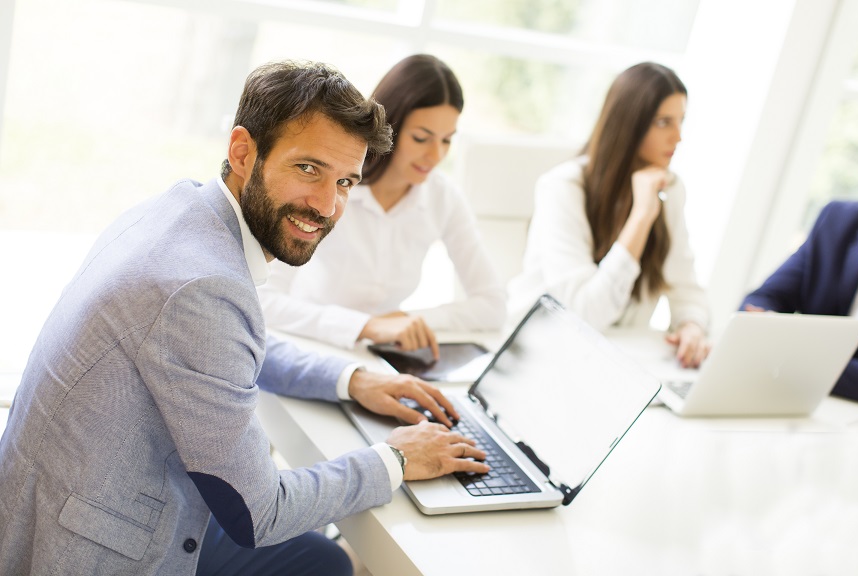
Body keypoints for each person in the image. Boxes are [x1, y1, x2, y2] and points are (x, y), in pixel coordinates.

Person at [0, 60, 490, 575]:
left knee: (320, 558)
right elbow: (261, 513)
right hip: (89, 552)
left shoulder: (183, 212)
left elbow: (220, 346)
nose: (326, 205)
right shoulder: (204, 287)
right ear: (242, 151)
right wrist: (397, 459)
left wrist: (352, 379)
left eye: (345, 181)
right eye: (308, 169)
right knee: (322, 563)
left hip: (86, 502)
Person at [258, 54, 507, 359]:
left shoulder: (443, 198)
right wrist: (365, 326)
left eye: (447, 141)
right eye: (421, 138)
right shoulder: (331, 190)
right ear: (390, 126)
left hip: (386, 357)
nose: (435, 155)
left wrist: (408, 323)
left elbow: (493, 304)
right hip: (309, 348)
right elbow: (264, 300)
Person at [508, 61, 710, 368]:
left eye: (681, 121)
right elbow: (584, 314)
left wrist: (691, 325)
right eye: (663, 122)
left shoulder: (668, 187)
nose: (678, 137)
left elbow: (686, 287)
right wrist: (641, 217)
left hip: (613, 359)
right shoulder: (563, 187)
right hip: (542, 357)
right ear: (630, 123)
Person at [740, 200, 858, 402]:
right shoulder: (839, 219)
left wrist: (792, 353)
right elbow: (761, 300)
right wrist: (769, 326)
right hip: (798, 399)